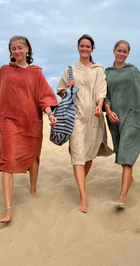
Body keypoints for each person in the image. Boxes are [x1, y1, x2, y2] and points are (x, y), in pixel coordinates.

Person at [0, 35, 58, 223]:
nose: (16, 51)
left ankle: (33, 189)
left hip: (29, 120)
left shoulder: (36, 73)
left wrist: (50, 114)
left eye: (19, 48)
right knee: (7, 160)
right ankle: (8, 208)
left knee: (32, 154)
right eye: (13, 48)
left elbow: (44, 97)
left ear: (27, 49)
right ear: (10, 51)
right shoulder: (4, 70)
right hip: (7, 121)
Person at [57, 34, 113, 213]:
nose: (84, 49)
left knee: (88, 154)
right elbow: (61, 92)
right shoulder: (70, 69)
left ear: (92, 49)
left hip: (93, 117)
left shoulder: (98, 69)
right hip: (75, 117)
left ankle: (81, 182)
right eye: (81, 46)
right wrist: (68, 89)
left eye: (87, 46)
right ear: (78, 48)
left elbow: (101, 89)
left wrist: (99, 106)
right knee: (78, 154)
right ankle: (83, 194)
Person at [104, 40, 140, 208]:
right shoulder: (107, 73)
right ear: (113, 51)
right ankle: (129, 179)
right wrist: (109, 110)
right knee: (122, 154)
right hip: (115, 118)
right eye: (119, 50)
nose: (121, 54)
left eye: (125, 51)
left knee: (127, 156)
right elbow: (104, 95)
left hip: (134, 116)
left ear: (128, 54)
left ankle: (123, 196)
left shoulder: (133, 70)